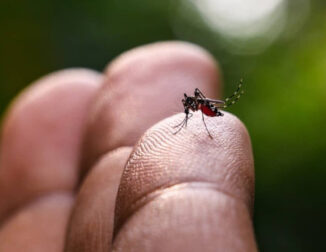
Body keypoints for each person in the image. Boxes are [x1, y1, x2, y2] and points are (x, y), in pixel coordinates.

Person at [0, 41, 257, 251]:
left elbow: (196, 110)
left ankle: (224, 103)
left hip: (208, 116)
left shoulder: (197, 106)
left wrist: (201, 113)